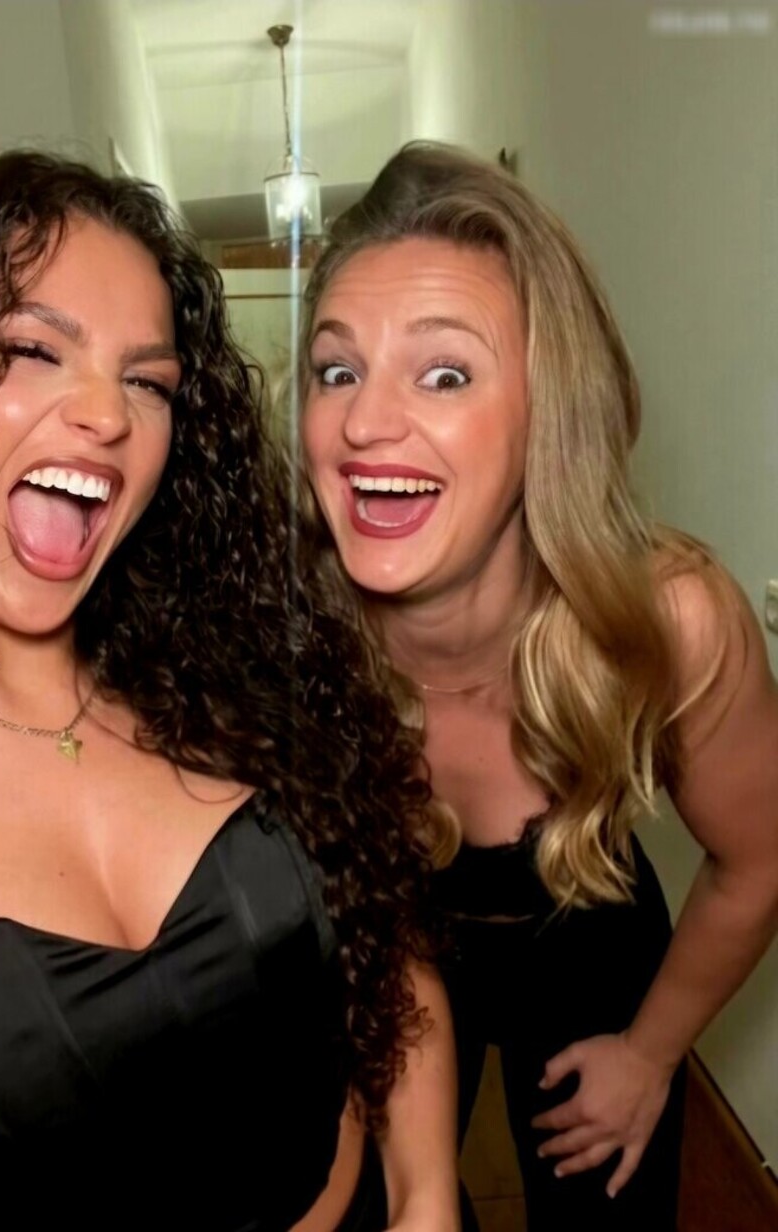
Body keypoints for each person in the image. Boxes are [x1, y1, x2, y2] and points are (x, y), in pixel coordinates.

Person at [0, 153, 461, 1231]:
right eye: (32, 348)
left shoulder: (230, 675)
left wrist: (425, 1194)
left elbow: (381, 940)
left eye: (148, 382)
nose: (107, 412)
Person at [300, 141, 778, 1231]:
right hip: (391, 946)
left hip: (591, 940)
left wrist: (651, 1054)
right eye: (337, 370)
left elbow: (761, 856)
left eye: (445, 373)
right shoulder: (291, 632)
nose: (365, 423)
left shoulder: (669, 622)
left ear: (547, 413)